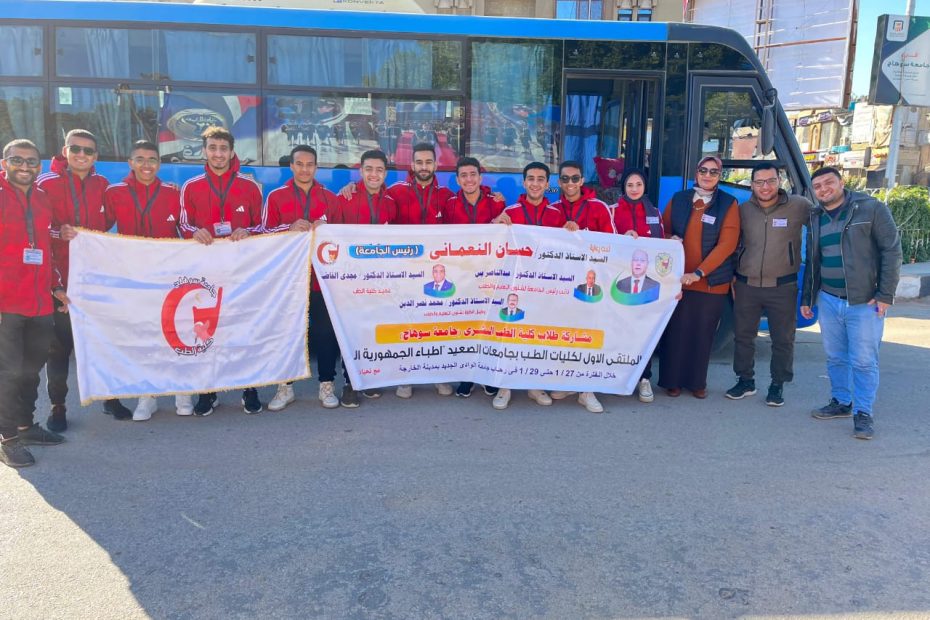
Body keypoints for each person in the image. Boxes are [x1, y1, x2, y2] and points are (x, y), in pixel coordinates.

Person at [340, 143, 453, 398]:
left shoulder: (446, 195)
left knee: (435, 324)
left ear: (436, 165)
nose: (424, 167)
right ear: (411, 165)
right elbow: (371, 193)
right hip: (404, 272)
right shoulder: (395, 192)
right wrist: (350, 187)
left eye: (428, 162)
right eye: (419, 162)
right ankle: (406, 377)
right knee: (407, 324)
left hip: (434, 271)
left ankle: (438, 375)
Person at [38, 129, 132, 429]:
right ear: (65, 150)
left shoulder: (102, 184)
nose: (81, 155)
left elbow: (108, 223)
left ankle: (109, 398)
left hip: (95, 282)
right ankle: (58, 407)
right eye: (76, 149)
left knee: (103, 343)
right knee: (60, 348)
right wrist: (58, 234)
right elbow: (36, 230)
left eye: (88, 151)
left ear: (96, 156)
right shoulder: (45, 183)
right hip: (61, 280)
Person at [801, 166, 901, 440]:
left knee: (864, 361)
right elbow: (814, 261)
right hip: (829, 299)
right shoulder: (815, 217)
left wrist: (885, 294)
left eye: (828, 183)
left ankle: (863, 413)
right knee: (835, 356)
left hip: (864, 302)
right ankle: (841, 402)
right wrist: (808, 298)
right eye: (817, 186)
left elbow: (892, 251)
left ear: (841, 182)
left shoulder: (871, 208)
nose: (823, 189)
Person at [101, 140, 194, 420]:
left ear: (159, 163)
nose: (146, 165)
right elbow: (98, 230)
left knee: (176, 333)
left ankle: (182, 390)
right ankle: (147, 395)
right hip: (133, 278)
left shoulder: (172, 193)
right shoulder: (114, 192)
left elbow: (186, 228)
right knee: (144, 336)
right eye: (140, 159)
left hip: (168, 276)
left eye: (152, 159)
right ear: (130, 162)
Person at [179, 126, 264, 416]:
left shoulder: (249, 186)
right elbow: (183, 224)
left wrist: (248, 231)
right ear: (204, 151)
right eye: (212, 148)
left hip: (241, 271)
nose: (218, 154)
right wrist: (194, 232)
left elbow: (261, 225)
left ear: (231, 152)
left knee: (243, 327)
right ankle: (208, 390)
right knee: (205, 328)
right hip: (204, 272)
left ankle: (249, 387)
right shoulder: (191, 186)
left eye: (223, 148)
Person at [0, 139, 66, 467]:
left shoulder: (42, 197)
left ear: (39, 166)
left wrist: (56, 286)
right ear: (5, 163)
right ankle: (8, 438)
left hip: (39, 303)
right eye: (17, 160)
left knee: (30, 371)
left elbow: (45, 248)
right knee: (8, 373)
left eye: (31, 161)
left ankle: (26, 427)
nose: (24, 166)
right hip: (6, 304)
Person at [262, 145, 342, 412]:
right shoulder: (276, 196)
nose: (304, 169)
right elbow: (263, 233)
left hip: (321, 280)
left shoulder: (330, 198)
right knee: (287, 333)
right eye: (299, 164)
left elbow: (342, 235)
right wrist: (289, 227)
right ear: (291, 166)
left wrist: (328, 229)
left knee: (325, 333)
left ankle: (326, 385)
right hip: (289, 279)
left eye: (310, 164)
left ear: (316, 167)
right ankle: (285, 387)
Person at [493, 162, 578, 410]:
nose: (535, 183)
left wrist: (571, 231)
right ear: (524, 182)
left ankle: (534, 385)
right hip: (515, 284)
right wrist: (495, 223)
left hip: (543, 286)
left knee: (537, 335)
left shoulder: (557, 214)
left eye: (541, 179)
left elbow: (566, 249)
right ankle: (504, 386)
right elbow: (493, 242)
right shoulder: (510, 211)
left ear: (547, 184)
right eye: (531, 178)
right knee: (509, 336)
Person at [726, 162, 812, 407]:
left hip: (782, 286)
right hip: (747, 285)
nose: (766, 187)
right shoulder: (743, 210)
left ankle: (777, 384)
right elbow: (733, 243)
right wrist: (732, 274)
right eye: (760, 182)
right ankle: (745, 381)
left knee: (783, 339)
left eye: (771, 181)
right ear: (752, 185)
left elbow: (825, 224)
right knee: (743, 337)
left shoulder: (799, 206)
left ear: (779, 180)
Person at [658, 156, 740, 399]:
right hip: (678, 279)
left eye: (713, 172)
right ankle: (672, 381)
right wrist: (670, 238)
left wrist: (699, 273)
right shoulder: (679, 199)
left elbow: (727, 245)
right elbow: (664, 230)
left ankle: (696, 383)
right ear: (696, 173)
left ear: (719, 176)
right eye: (703, 170)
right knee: (675, 332)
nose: (707, 175)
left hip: (710, 282)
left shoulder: (728, 203)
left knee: (702, 334)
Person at [329, 150, 397, 408]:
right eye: (369, 169)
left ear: (385, 173)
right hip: (349, 280)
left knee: (372, 330)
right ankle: (349, 384)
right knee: (350, 331)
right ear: (361, 171)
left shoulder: (390, 202)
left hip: (379, 281)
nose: (373, 174)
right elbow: (331, 236)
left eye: (379, 170)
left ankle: (369, 379)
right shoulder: (344, 197)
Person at [443, 156, 506, 399]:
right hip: (461, 275)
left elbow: (505, 233)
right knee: (465, 327)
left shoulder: (496, 202)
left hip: (490, 275)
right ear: (457, 179)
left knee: (489, 326)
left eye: (473, 174)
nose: (469, 180)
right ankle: (467, 377)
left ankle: (488, 376)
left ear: (480, 177)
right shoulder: (449, 205)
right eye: (464, 175)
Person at [610, 168, 665, 403]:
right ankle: (618, 376)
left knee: (645, 331)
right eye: (630, 185)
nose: (634, 189)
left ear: (644, 187)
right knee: (620, 330)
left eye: (638, 185)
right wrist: (623, 238)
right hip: (620, 281)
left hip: (647, 282)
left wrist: (671, 242)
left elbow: (661, 244)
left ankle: (644, 378)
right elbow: (605, 242)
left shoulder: (655, 212)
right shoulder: (613, 210)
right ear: (624, 187)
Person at [551, 160, 613, 233]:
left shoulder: (600, 207)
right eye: (565, 178)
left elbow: (612, 238)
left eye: (575, 178)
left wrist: (582, 233)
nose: (570, 183)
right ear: (559, 182)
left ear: (581, 181)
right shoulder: (552, 209)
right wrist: (562, 232)